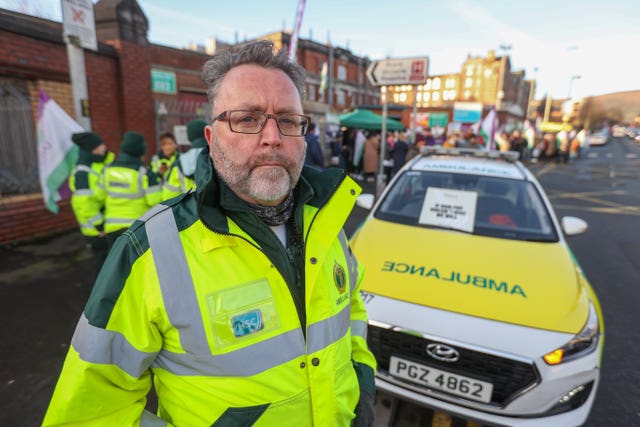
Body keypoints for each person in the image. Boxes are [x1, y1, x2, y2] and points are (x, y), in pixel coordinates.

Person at [43, 40, 376, 427]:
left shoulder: (328, 221)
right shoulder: (149, 251)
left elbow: (351, 311)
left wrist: (362, 389)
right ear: (211, 138)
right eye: (247, 119)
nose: (273, 137)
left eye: (288, 120)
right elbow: (89, 413)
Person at [97, 131, 162, 247]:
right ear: (140, 150)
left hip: (112, 228)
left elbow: (98, 197)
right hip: (137, 228)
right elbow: (154, 201)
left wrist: (99, 225)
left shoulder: (107, 170)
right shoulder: (145, 173)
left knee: (116, 264)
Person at [68, 131, 115, 280]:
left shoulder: (95, 163)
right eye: (101, 145)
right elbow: (85, 203)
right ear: (92, 148)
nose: (104, 147)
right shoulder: (83, 172)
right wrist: (99, 226)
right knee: (102, 263)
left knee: (107, 262)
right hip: (95, 228)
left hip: (102, 223)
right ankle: (100, 297)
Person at [162, 119, 207, 200]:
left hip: (190, 210)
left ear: (189, 137)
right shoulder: (220, 157)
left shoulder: (178, 163)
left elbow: (168, 197)